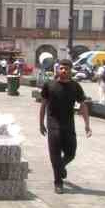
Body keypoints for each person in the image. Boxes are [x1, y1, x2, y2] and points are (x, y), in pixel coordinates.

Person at [39, 59, 92, 194]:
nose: (64, 71)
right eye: (61, 68)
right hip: (53, 124)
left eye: (66, 69)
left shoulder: (75, 87)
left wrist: (87, 125)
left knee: (71, 153)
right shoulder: (49, 85)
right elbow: (43, 104)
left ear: (70, 70)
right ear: (57, 69)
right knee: (55, 155)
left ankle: (61, 167)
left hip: (69, 124)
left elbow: (83, 105)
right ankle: (58, 182)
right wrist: (41, 123)